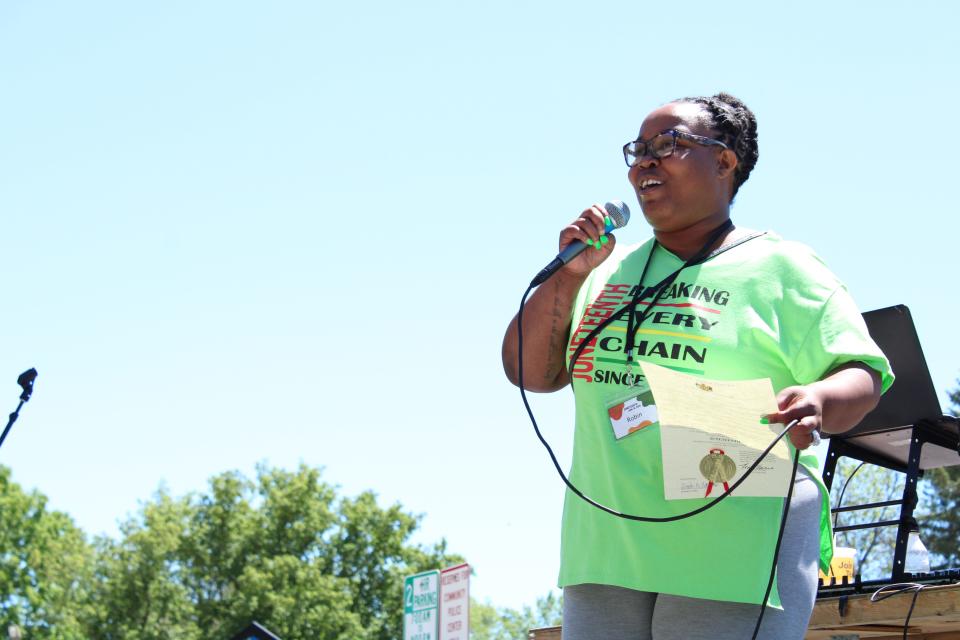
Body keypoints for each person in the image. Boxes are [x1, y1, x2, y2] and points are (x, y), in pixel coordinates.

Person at [501, 93, 893, 640]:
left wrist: (819, 399)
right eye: (637, 150)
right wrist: (568, 275)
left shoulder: (780, 267)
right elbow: (530, 373)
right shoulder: (604, 269)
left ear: (725, 162)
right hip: (609, 547)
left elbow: (862, 373)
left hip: (732, 546)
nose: (645, 161)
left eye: (669, 145)